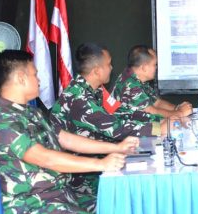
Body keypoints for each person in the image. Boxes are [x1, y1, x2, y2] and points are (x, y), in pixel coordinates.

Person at [0, 50, 138, 214]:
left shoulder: (31, 114)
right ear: (21, 79)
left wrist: (116, 148)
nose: (39, 79)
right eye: (35, 74)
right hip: (32, 209)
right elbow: (46, 158)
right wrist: (101, 164)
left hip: (60, 198)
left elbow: (65, 139)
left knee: (120, 210)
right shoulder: (2, 122)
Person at [50, 43, 160, 200]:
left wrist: (160, 120)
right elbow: (116, 129)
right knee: (136, 193)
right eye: (108, 64)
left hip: (101, 158)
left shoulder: (96, 90)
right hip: (81, 176)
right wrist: (158, 128)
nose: (112, 68)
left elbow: (120, 111)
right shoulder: (79, 98)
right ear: (96, 70)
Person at [112, 45, 192, 121]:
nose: (157, 68)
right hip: (128, 131)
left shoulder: (136, 78)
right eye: (155, 64)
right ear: (144, 68)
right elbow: (151, 112)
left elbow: (157, 102)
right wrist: (180, 113)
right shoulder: (131, 85)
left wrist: (177, 108)